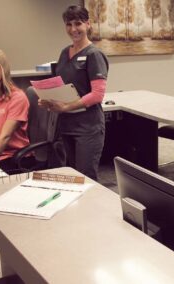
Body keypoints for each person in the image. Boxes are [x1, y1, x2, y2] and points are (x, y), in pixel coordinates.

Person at [39, 5, 109, 180]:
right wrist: (48, 99)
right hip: (67, 125)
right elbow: (61, 86)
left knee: (87, 177)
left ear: (88, 24)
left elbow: (97, 94)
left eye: (78, 23)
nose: (73, 29)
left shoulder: (94, 55)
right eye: (69, 24)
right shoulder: (65, 53)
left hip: (88, 127)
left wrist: (66, 107)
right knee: (72, 175)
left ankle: (94, 208)